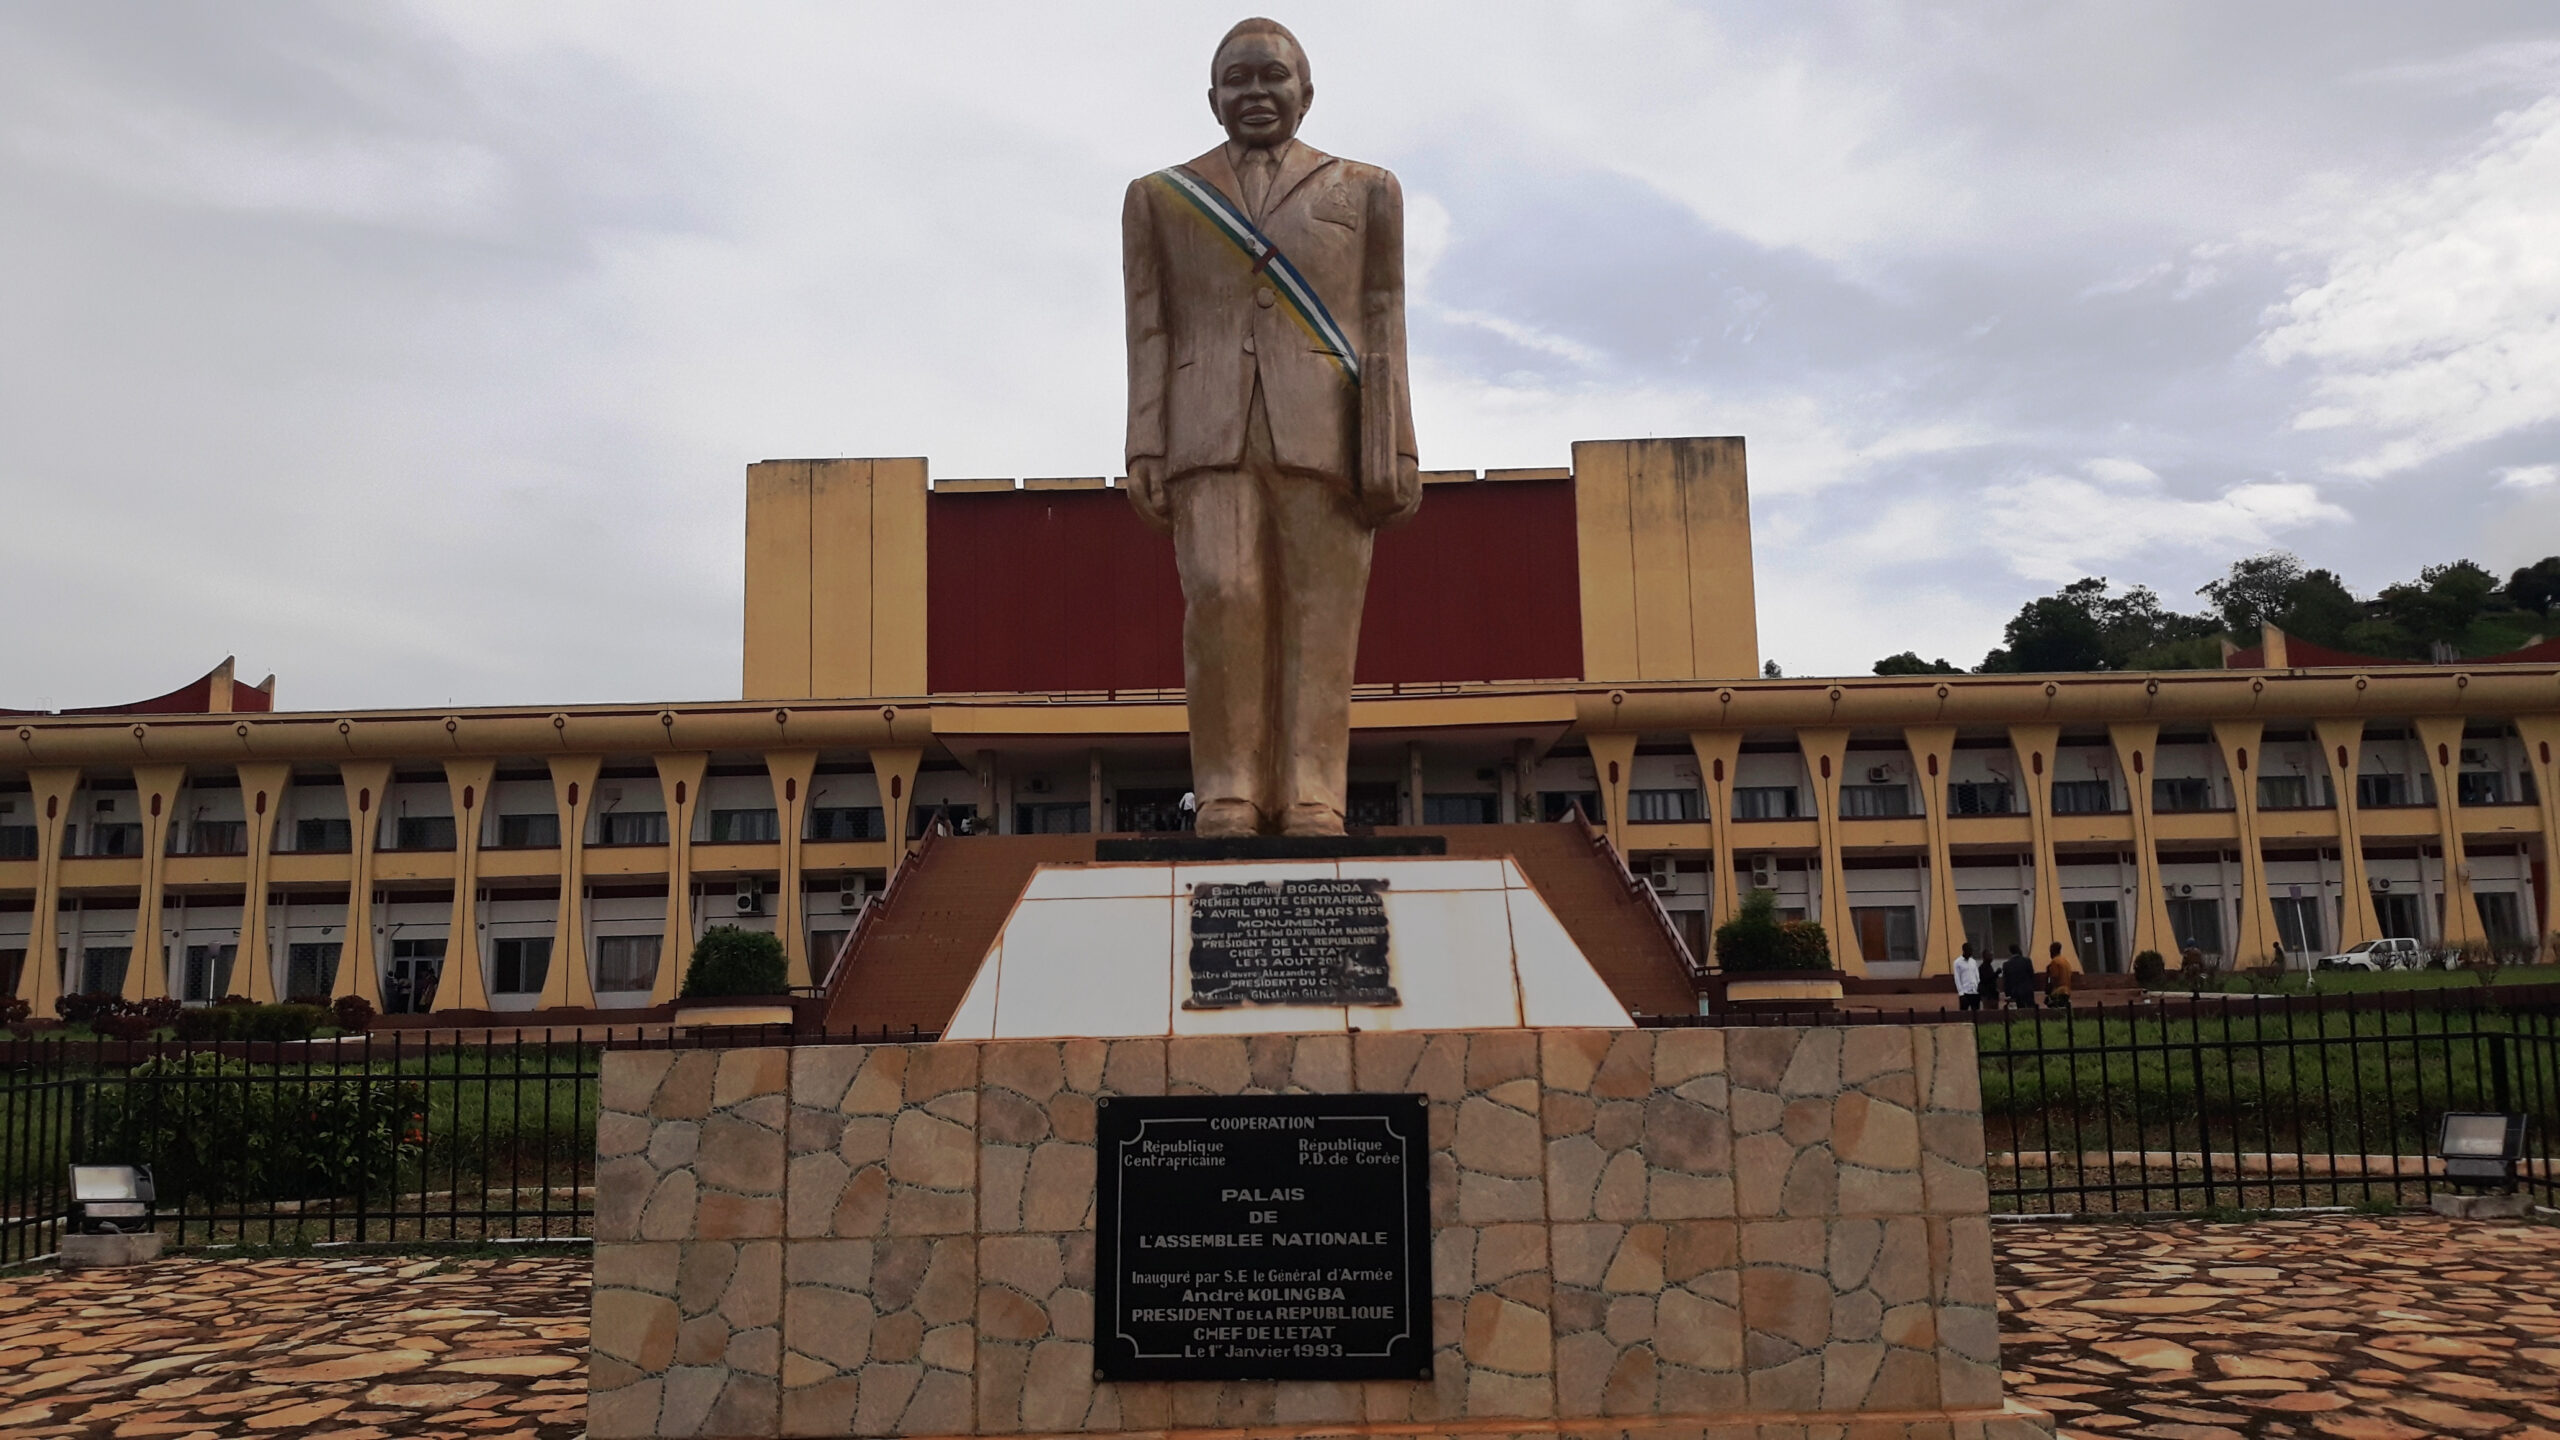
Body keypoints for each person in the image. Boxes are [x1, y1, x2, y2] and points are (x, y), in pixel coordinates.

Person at [1122, 17, 1420, 837]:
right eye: (1238, 80)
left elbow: (1385, 319)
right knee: (1224, 597)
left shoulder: (1365, 189)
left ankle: (1312, 793)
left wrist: (1393, 441)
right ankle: (1228, 791)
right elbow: (1147, 326)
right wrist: (1144, 439)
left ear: (1306, 92)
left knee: (1321, 614)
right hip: (1204, 430)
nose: (1255, 93)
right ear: (1213, 99)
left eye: (1272, 78)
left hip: (1325, 429)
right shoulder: (1161, 196)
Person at [2001, 945, 2038, 1010]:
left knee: (2019, 1011)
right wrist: (2032, 987)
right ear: (2019, 950)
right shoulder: (2027, 961)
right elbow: (2032, 976)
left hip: (2015, 992)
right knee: (2031, 1010)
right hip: (2027, 990)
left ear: (2010, 952)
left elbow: (2006, 981)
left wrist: (2008, 994)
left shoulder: (2006, 964)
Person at [1952, 942, 1983, 1013]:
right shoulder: (1957, 962)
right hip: (1965, 993)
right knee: (1964, 1013)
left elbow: (1977, 976)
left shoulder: (1973, 962)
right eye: (1969, 950)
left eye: (1971, 950)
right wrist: (1961, 993)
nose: (1971, 952)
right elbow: (1957, 979)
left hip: (1975, 992)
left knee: (1976, 1013)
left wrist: (1978, 988)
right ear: (1964, 950)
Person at [2043, 941, 2074, 1009]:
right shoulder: (2065, 961)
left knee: (2054, 1008)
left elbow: (2054, 977)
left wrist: (2048, 987)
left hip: (2058, 991)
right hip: (2067, 990)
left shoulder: (2054, 962)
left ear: (2052, 951)